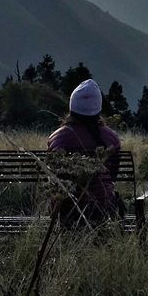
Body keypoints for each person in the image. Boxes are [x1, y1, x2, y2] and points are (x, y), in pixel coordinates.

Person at [48, 79, 122, 222]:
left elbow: (52, 173)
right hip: (102, 208)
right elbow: (112, 176)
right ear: (98, 109)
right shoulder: (111, 138)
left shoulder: (57, 138)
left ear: (72, 108)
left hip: (64, 210)